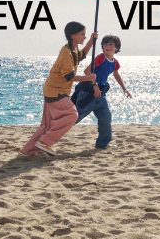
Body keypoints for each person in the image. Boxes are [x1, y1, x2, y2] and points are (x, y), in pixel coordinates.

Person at [19, 22, 97, 159]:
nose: (84, 37)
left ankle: (27, 151)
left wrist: (91, 40)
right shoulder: (66, 52)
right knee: (72, 115)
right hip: (56, 92)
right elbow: (69, 77)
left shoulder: (73, 50)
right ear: (73, 36)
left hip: (52, 90)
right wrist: (88, 78)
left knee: (46, 125)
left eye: (85, 34)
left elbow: (82, 55)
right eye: (82, 34)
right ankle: (45, 142)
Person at [70, 34, 132, 149]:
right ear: (102, 47)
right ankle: (47, 136)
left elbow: (116, 75)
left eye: (111, 44)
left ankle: (103, 144)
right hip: (88, 93)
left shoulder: (114, 62)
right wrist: (95, 85)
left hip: (100, 95)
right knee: (72, 119)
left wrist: (124, 88)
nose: (107, 46)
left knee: (106, 118)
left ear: (117, 48)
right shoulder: (101, 57)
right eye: (105, 44)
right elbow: (87, 71)